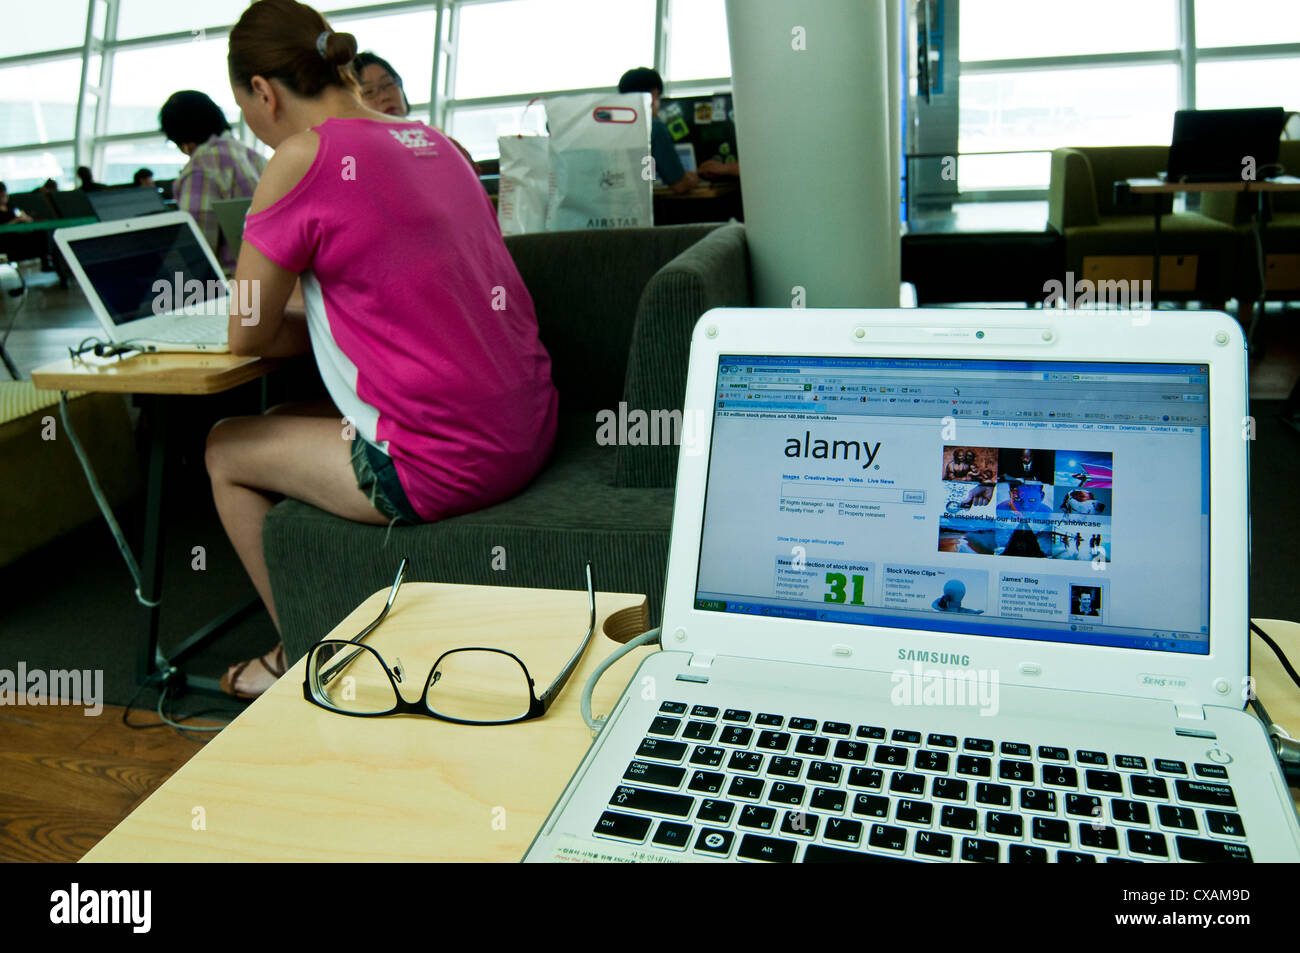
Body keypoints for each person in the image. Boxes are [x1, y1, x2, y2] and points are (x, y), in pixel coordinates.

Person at [208, 0, 558, 698]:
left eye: (244, 106)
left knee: (225, 446)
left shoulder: (300, 159)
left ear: (263, 92)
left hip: (448, 464)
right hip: (530, 429)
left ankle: (298, 655)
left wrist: (291, 299)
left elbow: (244, 327)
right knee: (294, 410)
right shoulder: (431, 140)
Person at [159, 90, 267, 271]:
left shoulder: (202, 167)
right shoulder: (251, 156)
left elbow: (195, 251)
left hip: (233, 284)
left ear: (182, 139)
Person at [350, 51, 479, 174]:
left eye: (388, 84)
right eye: (368, 92)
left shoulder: (437, 139)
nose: (384, 96)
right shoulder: (355, 159)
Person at [617, 67, 700, 194]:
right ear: (654, 94)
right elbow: (679, 185)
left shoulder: (613, 127)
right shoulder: (653, 126)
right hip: (638, 210)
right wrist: (693, 179)